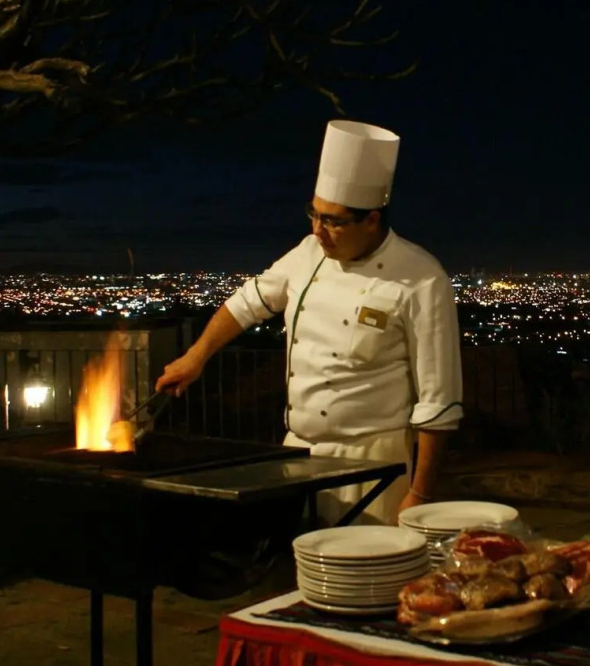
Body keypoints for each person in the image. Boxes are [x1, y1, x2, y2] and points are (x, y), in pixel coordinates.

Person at [154, 120, 463, 524]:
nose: (318, 231)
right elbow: (248, 303)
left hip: (373, 466)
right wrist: (195, 358)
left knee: (365, 581)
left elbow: (438, 403)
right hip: (297, 457)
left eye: (333, 221)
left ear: (371, 220)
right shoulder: (307, 253)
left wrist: (419, 495)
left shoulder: (421, 278)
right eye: (313, 215)